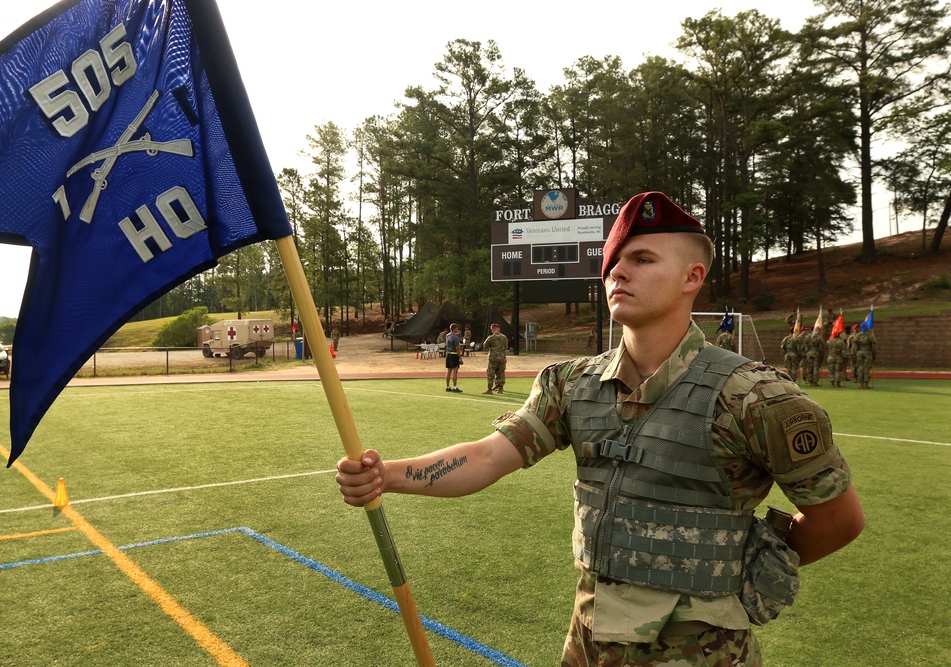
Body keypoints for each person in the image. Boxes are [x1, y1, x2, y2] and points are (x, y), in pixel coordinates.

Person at [336, 191, 864, 666]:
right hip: (588, 643)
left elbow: (838, 518)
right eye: (612, 263)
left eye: (641, 259)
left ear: (692, 277)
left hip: (702, 655)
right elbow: (488, 456)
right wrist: (388, 475)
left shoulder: (754, 397)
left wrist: (729, 562)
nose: (617, 274)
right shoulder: (573, 384)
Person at [481, 322, 509, 394]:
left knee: (491, 373)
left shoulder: (491, 338)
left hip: (493, 358)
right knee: (501, 373)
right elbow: (505, 348)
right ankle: (500, 388)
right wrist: (505, 358)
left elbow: (485, 345)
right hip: (502, 358)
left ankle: (489, 389)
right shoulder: (504, 337)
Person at [853, 324, 877, 389]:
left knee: (860, 368)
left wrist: (854, 353)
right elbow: (874, 346)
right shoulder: (870, 335)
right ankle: (866, 384)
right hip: (868, 352)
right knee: (867, 368)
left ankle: (861, 384)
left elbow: (854, 345)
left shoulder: (857, 335)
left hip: (859, 353)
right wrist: (874, 355)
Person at [444, 323, 463, 393]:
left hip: (448, 354)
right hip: (454, 355)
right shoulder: (456, 338)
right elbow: (457, 348)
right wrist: (460, 357)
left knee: (448, 371)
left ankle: (448, 386)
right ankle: (455, 387)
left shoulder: (447, 335)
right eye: (457, 328)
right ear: (455, 329)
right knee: (455, 371)